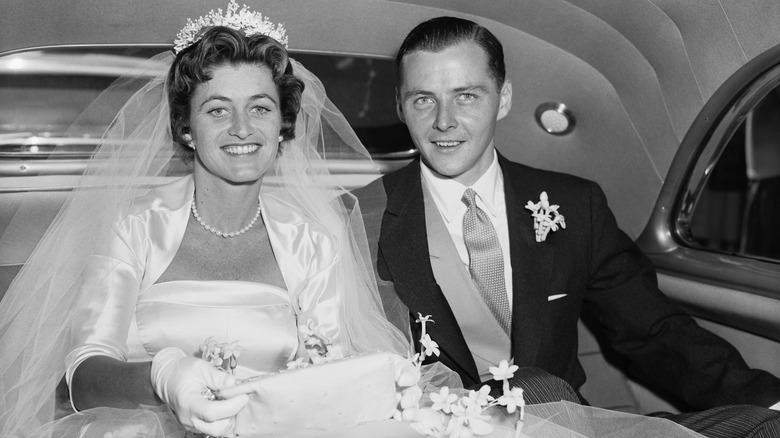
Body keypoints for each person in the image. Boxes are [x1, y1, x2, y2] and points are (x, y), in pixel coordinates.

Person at [0, 5, 413, 436]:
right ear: (185, 129)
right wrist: (163, 378)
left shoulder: (312, 240)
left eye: (260, 108)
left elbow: (329, 375)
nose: (241, 128)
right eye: (217, 110)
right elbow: (84, 380)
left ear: (283, 126)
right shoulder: (135, 225)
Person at [364, 15, 780, 437]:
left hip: (569, 426)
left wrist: (769, 400)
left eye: (466, 96)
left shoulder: (575, 204)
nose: (444, 121)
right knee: (536, 386)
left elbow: (652, 330)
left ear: (503, 99)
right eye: (423, 99)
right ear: (400, 105)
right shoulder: (362, 217)